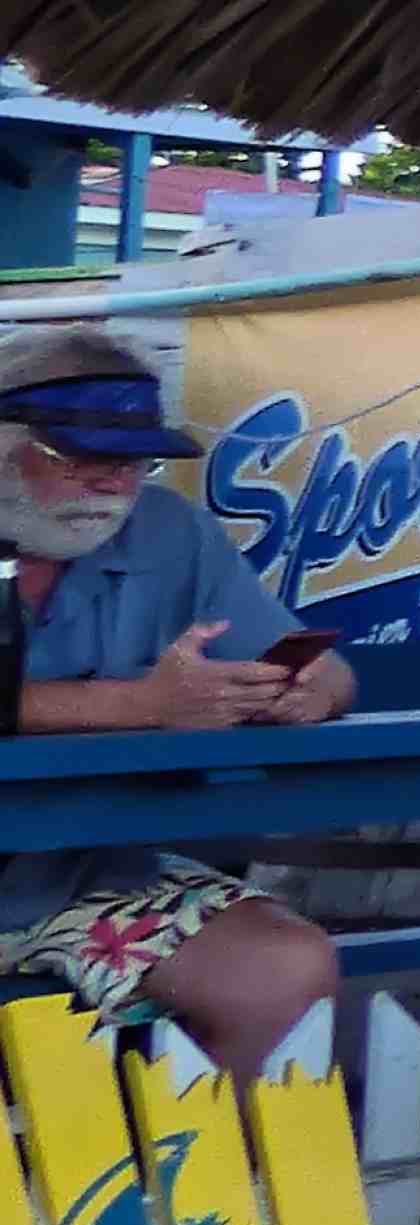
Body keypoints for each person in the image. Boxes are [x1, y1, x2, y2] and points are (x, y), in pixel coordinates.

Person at [0, 328, 350, 1083]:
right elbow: (150, 703)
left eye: (135, 460)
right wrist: (143, 704)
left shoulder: (168, 530)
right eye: (79, 456)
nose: (112, 482)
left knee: (281, 971)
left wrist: (301, 691)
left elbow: (323, 669)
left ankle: (194, 1164)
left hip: (72, 873)